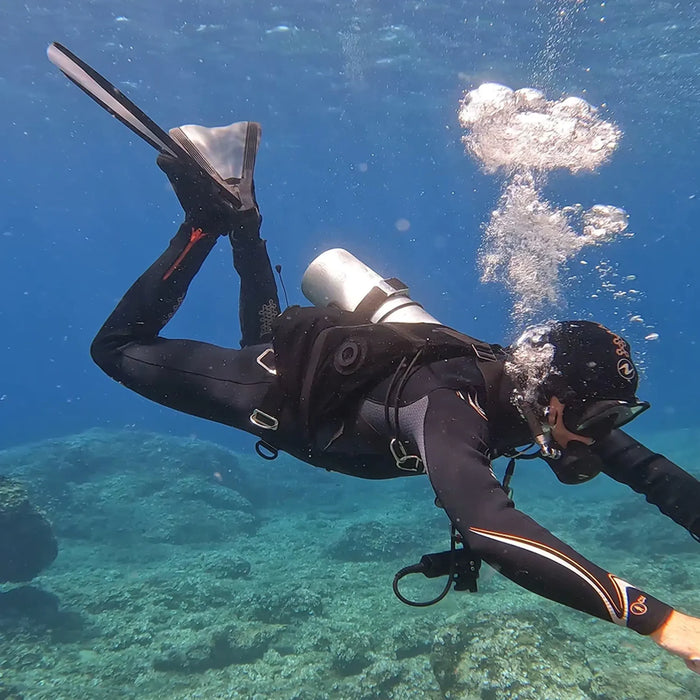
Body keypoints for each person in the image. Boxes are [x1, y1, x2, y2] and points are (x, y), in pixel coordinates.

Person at [90, 133, 700, 673]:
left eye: (617, 418)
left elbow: (656, 476)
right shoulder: (452, 406)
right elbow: (492, 531)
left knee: (262, 334)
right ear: (553, 398)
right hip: (274, 392)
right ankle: (204, 220)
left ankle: (242, 220)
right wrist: (668, 626)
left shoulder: (546, 401)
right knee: (118, 349)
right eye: (598, 419)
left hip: (322, 385)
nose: (603, 436)